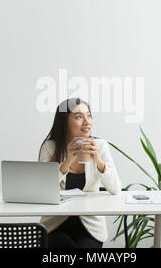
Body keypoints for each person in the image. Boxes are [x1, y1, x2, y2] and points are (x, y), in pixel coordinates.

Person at [38, 98, 121, 248]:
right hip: (55, 224)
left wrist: (98, 161)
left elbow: (115, 188)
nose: (87, 122)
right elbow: (42, 189)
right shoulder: (50, 147)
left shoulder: (100, 146)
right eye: (78, 117)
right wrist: (67, 162)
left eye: (89, 116)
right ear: (64, 122)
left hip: (90, 226)